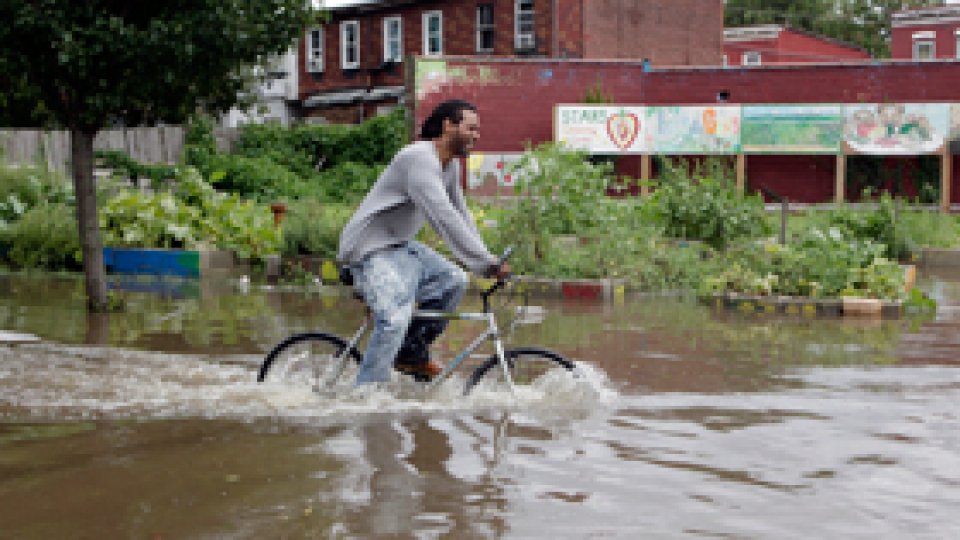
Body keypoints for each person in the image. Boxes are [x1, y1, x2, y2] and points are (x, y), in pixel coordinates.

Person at [337, 99, 510, 386]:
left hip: (400, 246)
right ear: (448, 125)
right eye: (471, 128)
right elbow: (442, 217)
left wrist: (487, 259)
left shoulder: (449, 166)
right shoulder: (419, 158)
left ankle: (409, 353)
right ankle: (366, 395)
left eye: (478, 130)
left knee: (454, 280)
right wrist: (484, 263)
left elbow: (461, 214)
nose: (476, 136)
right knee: (394, 318)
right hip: (368, 250)